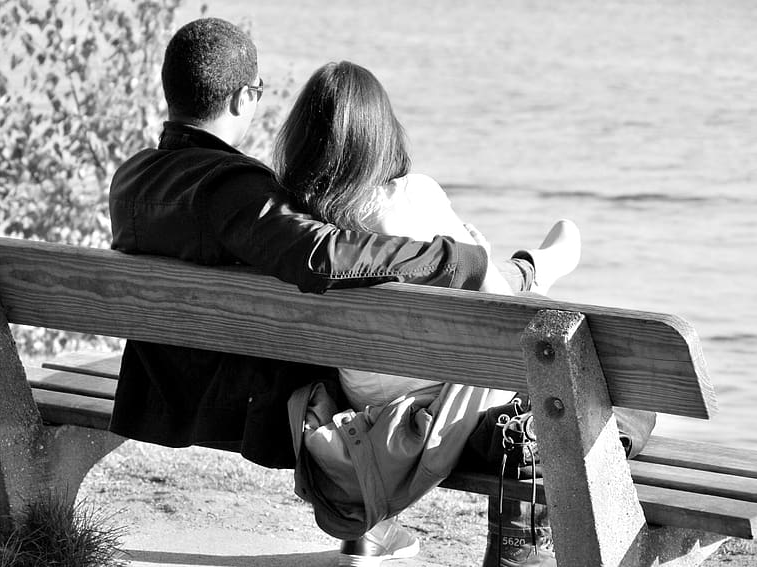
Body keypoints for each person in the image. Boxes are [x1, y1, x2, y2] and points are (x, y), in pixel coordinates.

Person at [107, 18, 527, 567]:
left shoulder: (132, 178)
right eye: (257, 94)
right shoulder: (236, 190)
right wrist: (459, 260)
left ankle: (371, 534)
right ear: (241, 99)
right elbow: (324, 254)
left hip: (160, 386)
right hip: (243, 402)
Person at [274, 61, 581, 566]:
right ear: (382, 134)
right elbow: (502, 311)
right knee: (615, 398)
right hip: (444, 405)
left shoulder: (293, 223)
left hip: (359, 399)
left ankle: (535, 266)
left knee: (477, 274)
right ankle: (537, 267)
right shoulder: (412, 197)